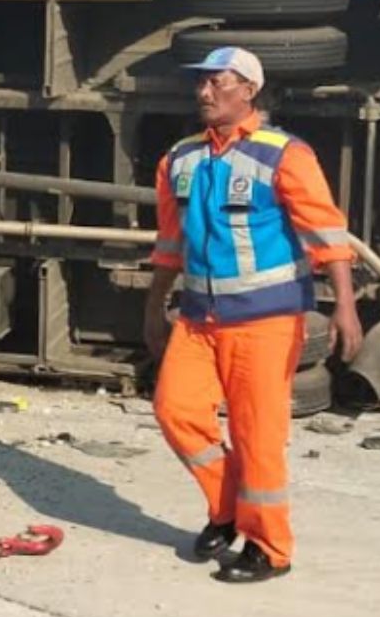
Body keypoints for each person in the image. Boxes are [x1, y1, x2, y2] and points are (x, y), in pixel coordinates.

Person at [144, 46, 362, 584]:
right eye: (202, 83)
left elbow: (327, 234)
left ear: (249, 90)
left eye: (218, 82)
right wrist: (154, 306)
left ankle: (270, 547)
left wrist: (346, 308)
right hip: (199, 319)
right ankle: (228, 509)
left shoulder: (283, 155)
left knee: (257, 435)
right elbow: (170, 241)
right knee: (177, 413)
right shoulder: (180, 159)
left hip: (266, 322)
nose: (205, 92)